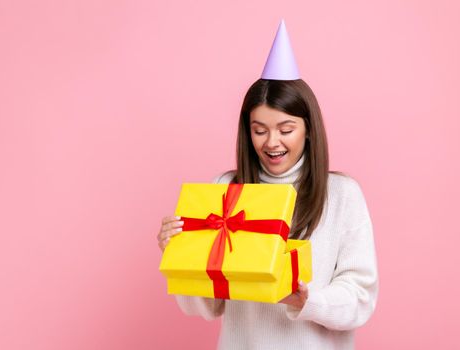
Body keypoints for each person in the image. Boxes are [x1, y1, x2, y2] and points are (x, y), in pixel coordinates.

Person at [157, 21, 378, 350]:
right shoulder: (226, 189)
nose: (271, 142)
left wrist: (308, 300)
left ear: (309, 129)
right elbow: (206, 306)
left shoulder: (342, 195)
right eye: (259, 130)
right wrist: (179, 256)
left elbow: (361, 298)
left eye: (285, 129)